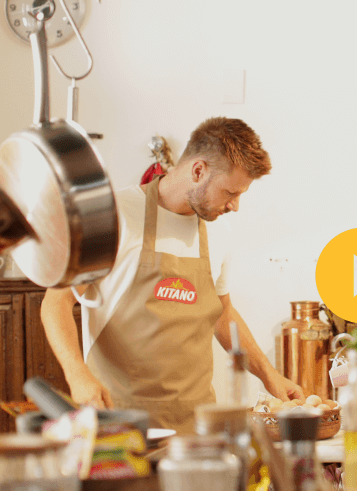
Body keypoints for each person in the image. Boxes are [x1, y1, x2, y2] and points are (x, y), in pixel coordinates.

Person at [41, 117, 303, 433]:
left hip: (198, 427)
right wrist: (77, 375)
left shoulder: (219, 231)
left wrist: (269, 375)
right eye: (230, 192)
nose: (234, 206)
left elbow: (223, 314)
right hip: (121, 424)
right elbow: (55, 303)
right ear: (198, 171)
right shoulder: (113, 217)